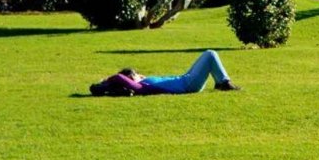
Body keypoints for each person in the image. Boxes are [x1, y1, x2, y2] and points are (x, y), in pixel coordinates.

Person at [90, 50, 241, 96]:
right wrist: (106, 82)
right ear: (132, 79)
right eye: (136, 74)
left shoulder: (145, 83)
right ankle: (223, 83)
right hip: (188, 84)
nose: (140, 75)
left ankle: (221, 82)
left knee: (208, 56)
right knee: (210, 54)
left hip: (186, 79)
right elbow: (119, 77)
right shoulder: (143, 87)